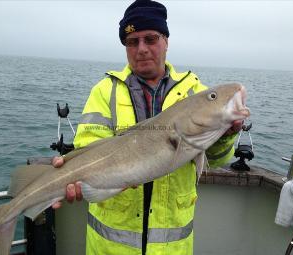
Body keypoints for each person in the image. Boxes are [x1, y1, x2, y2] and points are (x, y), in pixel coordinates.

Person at [52, 0, 242, 254]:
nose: (141, 49)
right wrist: (74, 177)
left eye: (150, 39)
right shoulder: (104, 91)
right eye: (132, 42)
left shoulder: (194, 92)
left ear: (166, 41)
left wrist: (226, 135)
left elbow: (217, 159)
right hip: (110, 249)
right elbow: (88, 147)